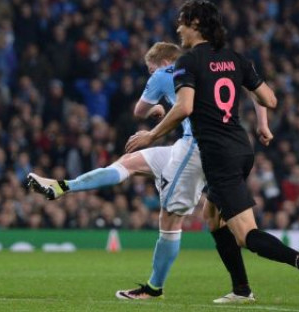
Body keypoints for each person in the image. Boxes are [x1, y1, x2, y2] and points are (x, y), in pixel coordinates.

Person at [28, 41, 261, 302]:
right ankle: (63, 186)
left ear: (163, 63)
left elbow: (139, 110)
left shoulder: (164, 75)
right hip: (199, 147)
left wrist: (155, 108)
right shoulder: (202, 71)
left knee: (171, 220)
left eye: (150, 70)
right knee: (129, 162)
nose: (151, 75)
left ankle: (153, 288)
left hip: (195, 152)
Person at [126, 0, 299, 302]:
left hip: (218, 154)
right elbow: (270, 99)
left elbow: (184, 107)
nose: (178, 28)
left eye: (182, 21)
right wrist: (263, 125)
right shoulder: (235, 58)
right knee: (212, 217)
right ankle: (241, 290)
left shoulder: (189, 61)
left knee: (246, 235)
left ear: (196, 24)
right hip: (241, 147)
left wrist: (151, 135)